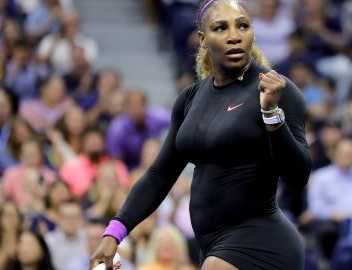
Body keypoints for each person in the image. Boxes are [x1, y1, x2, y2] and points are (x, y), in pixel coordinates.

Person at [90, 0, 311, 269]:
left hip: (262, 243)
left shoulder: (275, 89)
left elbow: (298, 176)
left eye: (243, 26)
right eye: (221, 28)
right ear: (203, 39)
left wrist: (272, 115)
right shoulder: (191, 99)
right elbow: (160, 174)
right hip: (212, 246)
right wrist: (115, 232)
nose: (234, 36)